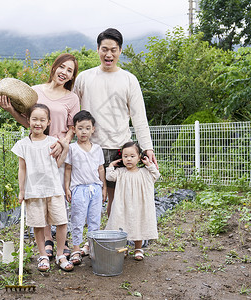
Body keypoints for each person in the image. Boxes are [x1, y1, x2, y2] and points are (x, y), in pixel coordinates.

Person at [0, 53, 80, 260]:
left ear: (72, 77)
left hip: (58, 152)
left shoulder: (72, 98)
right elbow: (30, 122)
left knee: (57, 196)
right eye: (62, 67)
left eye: (69, 70)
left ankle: (63, 242)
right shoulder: (35, 91)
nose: (64, 72)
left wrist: (63, 143)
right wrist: (11, 111)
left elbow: (72, 128)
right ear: (54, 68)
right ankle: (48, 241)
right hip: (38, 151)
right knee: (41, 194)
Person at [73, 28, 158, 217]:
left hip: (120, 149)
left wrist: (148, 148)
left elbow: (139, 117)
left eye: (113, 49)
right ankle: (90, 241)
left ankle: (112, 239)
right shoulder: (84, 78)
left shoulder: (129, 80)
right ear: (97, 49)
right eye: (104, 49)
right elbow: (70, 108)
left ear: (120, 51)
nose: (108, 54)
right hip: (90, 148)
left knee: (116, 199)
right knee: (89, 197)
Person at [11, 104, 74, 272]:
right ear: (28, 120)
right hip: (34, 191)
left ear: (48, 122)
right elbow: (22, 168)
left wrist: (65, 148)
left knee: (61, 222)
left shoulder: (54, 142)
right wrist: (22, 190)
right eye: (34, 119)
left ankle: (60, 254)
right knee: (38, 225)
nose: (37, 123)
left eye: (42, 120)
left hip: (53, 189)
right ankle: (43, 256)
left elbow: (58, 164)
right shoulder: (23, 144)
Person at [64, 110, 106, 265]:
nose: (84, 131)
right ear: (74, 129)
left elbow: (101, 169)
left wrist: (104, 188)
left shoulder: (97, 149)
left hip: (95, 188)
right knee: (77, 219)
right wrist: (67, 188)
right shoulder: (72, 148)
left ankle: (91, 247)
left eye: (87, 128)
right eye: (80, 128)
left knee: (95, 219)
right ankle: (76, 249)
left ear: (93, 129)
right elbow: (68, 169)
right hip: (79, 189)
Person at [105, 141, 160, 261]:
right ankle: (122, 247)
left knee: (137, 224)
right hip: (122, 205)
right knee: (121, 224)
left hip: (138, 205)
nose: (128, 159)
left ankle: (138, 248)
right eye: (125, 156)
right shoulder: (120, 173)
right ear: (121, 158)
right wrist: (111, 165)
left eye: (132, 156)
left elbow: (156, 175)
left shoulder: (144, 173)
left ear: (139, 157)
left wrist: (149, 164)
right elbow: (109, 177)